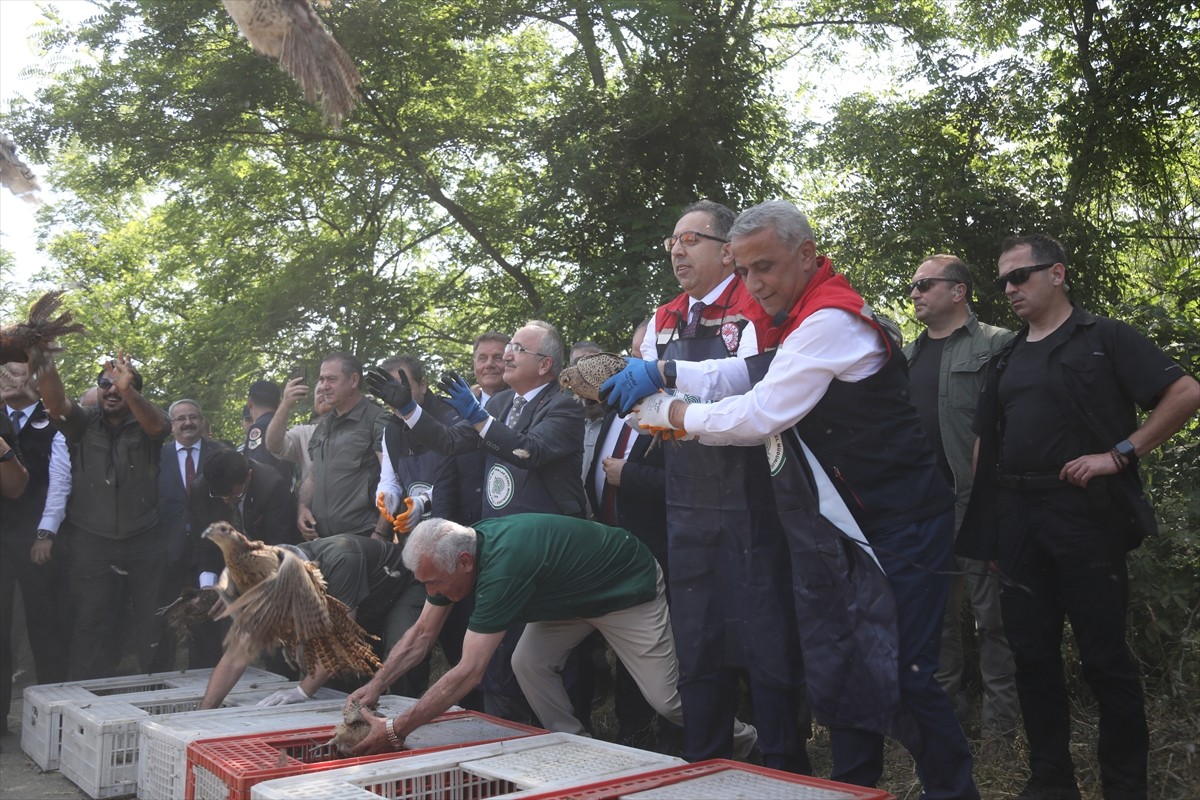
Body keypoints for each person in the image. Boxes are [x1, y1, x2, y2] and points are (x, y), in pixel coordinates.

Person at [604, 200, 978, 798]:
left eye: (766, 267)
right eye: (744, 271)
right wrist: (668, 372)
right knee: (841, 667)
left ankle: (953, 790)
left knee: (903, 674)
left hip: (896, 521)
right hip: (840, 525)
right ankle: (853, 787)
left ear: (806, 255)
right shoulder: (796, 319)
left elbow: (760, 412)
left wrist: (671, 412)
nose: (755, 284)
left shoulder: (832, 319)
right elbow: (747, 371)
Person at [960, 234, 1199, 800]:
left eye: (1020, 275)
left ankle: (1125, 787)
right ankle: (1051, 781)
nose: (1009, 288)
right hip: (1018, 521)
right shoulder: (1006, 357)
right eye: (1002, 280)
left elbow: (1185, 392)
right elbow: (984, 448)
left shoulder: (1104, 338)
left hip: (1085, 517)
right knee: (1031, 657)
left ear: (1057, 273)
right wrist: (991, 530)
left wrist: (1120, 454)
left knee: (1104, 658)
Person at [344, 514, 756, 758]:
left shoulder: (503, 569)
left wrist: (396, 729)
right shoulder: (452, 557)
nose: (430, 593)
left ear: (465, 562)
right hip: (567, 595)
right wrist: (376, 685)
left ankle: (745, 740)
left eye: (433, 583)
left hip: (623, 587)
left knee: (666, 699)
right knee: (528, 663)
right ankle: (576, 744)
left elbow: (470, 672)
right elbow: (421, 633)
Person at [635, 200, 805, 772]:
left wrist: (674, 404)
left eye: (692, 239)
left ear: (727, 250)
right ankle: (704, 763)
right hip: (685, 501)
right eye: (673, 241)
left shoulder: (755, 306)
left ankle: (783, 766)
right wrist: (668, 405)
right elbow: (646, 406)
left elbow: (754, 393)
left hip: (755, 497)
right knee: (697, 639)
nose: (677, 251)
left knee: (767, 636)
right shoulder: (662, 318)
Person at [903, 254, 1019, 746]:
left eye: (925, 284)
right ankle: (943, 725)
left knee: (995, 621)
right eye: (912, 285)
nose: (914, 293)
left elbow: (1016, 424)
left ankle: (1001, 733)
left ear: (958, 291)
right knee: (938, 625)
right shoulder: (907, 356)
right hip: (923, 512)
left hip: (980, 506)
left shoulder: (998, 345)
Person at [38, 350, 173, 679]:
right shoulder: (84, 422)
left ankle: (158, 692)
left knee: (153, 620)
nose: (112, 390)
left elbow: (159, 427)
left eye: (121, 385)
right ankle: (85, 694)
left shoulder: (147, 420)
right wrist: (42, 358)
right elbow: (55, 405)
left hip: (144, 537)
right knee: (90, 620)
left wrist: (129, 390)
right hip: (92, 540)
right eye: (105, 384)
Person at [584, 319, 677, 749]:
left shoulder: (682, 408)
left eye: (648, 353)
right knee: (624, 647)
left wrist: (631, 476)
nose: (638, 361)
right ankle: (632, 734)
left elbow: (689, 484)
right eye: (635, 352)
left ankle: (675, 737)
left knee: (662, 651)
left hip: (661, 553)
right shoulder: (616, 408)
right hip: (613, 552)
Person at [198, 533, 422, 708]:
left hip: (401, 588)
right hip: (358, 605)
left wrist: (301, 691)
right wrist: (205, 713)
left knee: (399, 652)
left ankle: (407, 724)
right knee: (333, 682)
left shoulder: (342, 559)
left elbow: (341, 641)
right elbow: (235, 656)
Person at [1, 362, 70, 729]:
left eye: (15, 371)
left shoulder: (54, 422)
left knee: (45, 627)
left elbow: (60, 483)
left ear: (35, 378)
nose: (6, 377)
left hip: (36, 541)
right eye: (2, 371)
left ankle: (52, 720)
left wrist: (45, 533)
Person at [150, 398, 213, 672]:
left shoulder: (217, 454)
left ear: (202, 421)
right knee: (162, 618)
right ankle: (159, 679)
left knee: (206, 619)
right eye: (181, 418)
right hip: (166, 551)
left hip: (208, 550)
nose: (188, 423)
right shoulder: (156, 456)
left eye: (193, 417)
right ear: (172, 424)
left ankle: (206, 678)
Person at [297, 352, 388, 540]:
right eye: (322, 379)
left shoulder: (377, 420)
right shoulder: (323, 425)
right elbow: (313, 475)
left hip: (362, 536)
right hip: (320, 538)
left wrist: (380, 533)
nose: (323, 386)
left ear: (354, 380)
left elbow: (393, 480)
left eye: (331, 379)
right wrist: (302, 507)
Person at [430, 332, 509, 524]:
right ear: (474, 365)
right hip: (467, 526)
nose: (489, 364)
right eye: (482, 358)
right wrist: (438, 526)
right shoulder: (453, 415)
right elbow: (445, 480)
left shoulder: (524, 408)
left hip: (512, 523)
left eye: (498, 357)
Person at [265, 373, 331, 491]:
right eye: (318, 392)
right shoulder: (304, 433)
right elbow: (273, 445)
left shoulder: (359, 425)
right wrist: (286, 404)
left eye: (326, 390)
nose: (322, 394)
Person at [243, 379, 292, 484]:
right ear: (279, 404)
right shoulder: (283, 428)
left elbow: (257, 467)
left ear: (249, 402)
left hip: (269, 491)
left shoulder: (258, 428)